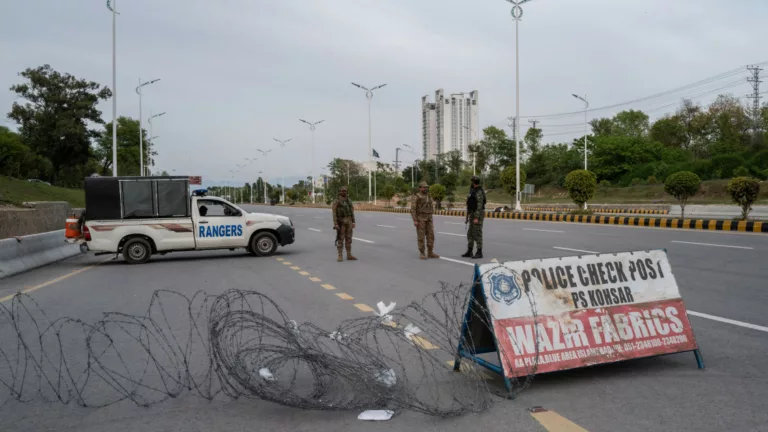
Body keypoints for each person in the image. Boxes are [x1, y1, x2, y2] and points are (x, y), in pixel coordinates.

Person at [410, 182, 440, 260]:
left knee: (431, 236)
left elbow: (431, 206)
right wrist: (415, 220)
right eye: (424, 187)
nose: (425, 188)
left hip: (429, 219)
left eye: (426, 187)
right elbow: (413, 209)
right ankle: (422, 253)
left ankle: (430, 252)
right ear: (420, 188)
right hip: (420, 219)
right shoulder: (416, 196)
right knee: (421, 236)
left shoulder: (428, 196)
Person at [331, 186, 357, 262]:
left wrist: (353, 221)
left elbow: (351, 211)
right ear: (340, 192)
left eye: (345, 191)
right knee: (340, 238)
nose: (344, 192)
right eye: (342, 191)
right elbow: (334, 213)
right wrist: (336, 223)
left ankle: (349, 255)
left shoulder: (349, 200)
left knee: (349, 238)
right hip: (341, 221)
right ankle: (340, 255)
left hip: (349, 221)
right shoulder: (336, 201)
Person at [462, 176, 485, 259]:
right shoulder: (473, 191)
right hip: (472, 214)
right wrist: (468, 216)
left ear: (473, 182)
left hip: (477, 214)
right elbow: (469, 204)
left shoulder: (479, 191)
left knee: (477, 233)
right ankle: (470, 250)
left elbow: (479, 206)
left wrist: (476, 217)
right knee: (470, 233)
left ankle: (479, 252)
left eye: (472, 181)